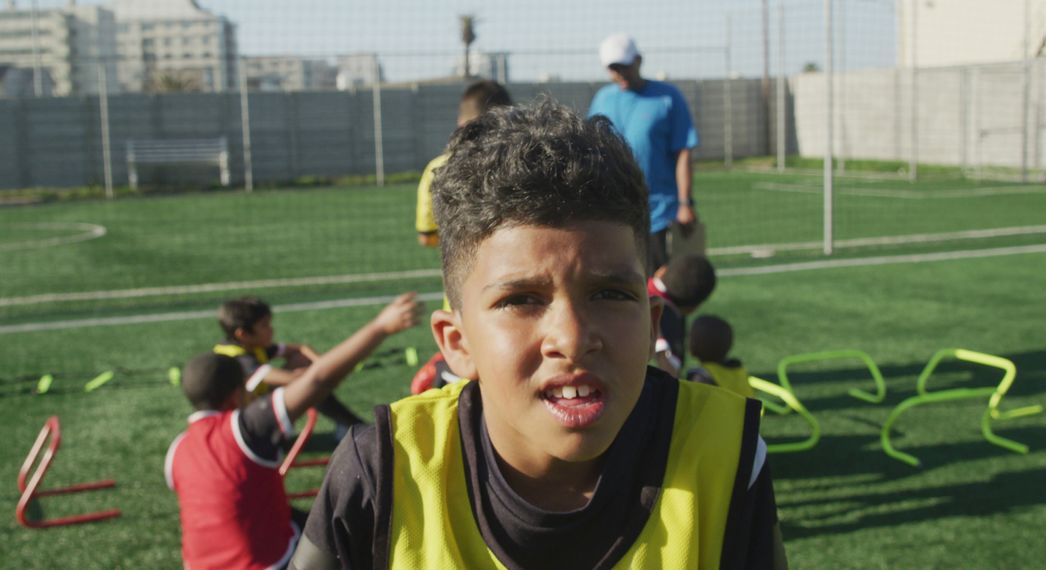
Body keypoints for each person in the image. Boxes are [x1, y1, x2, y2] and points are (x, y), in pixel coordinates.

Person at [291, 100, 785, 569]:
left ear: (652, 324)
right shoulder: (382, 473)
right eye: (520, 300)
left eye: (611, 295)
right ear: (457, 344)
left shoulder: (727, 455)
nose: (571, 338)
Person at [166, 293, 420, 570]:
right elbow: (318, 380)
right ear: (234, 398)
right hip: (268, 564)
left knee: (314, 522)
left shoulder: (176, 450)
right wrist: (381, 327)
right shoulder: (244, 429)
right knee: (356, 540)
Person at [411, 79, 513, 394]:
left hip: (463, 302)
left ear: (461, 122)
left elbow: (427, 237)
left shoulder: (436, 170)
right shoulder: (521, 165)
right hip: (518, 297)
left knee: (466, 396)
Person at [588, 33, 699, 273]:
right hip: (615, 214)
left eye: (624, 66)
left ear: (638, 60)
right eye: (613, 68)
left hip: (660, 214)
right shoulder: (601, 100)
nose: (619, 74)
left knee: (664, 290)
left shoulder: (668, 98)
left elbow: (683, 153)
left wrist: (684, 203)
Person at [214, 296, 363, 438]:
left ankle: (348, 424)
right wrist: (326, 372)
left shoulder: (249, 345)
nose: (271, 329)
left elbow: (301, 349)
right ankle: (354, 426)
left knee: (301, 362)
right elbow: (293, 380)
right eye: (264, 325)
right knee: (310, 385)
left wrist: (320, 362)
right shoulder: (239, 359)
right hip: (245, 427)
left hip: (255, 407)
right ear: (243, 334)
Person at [648, 253, 716, 377]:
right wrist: (662, 349)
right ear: (692, 309)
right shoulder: (667, 322)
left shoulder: (638, 278)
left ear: (663, 270)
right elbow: (671, 376)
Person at [686, 315, 754, 398]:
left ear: (697, 344)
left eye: (690, 336)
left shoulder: (702, 377)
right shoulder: (737, 369)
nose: (687, 339)